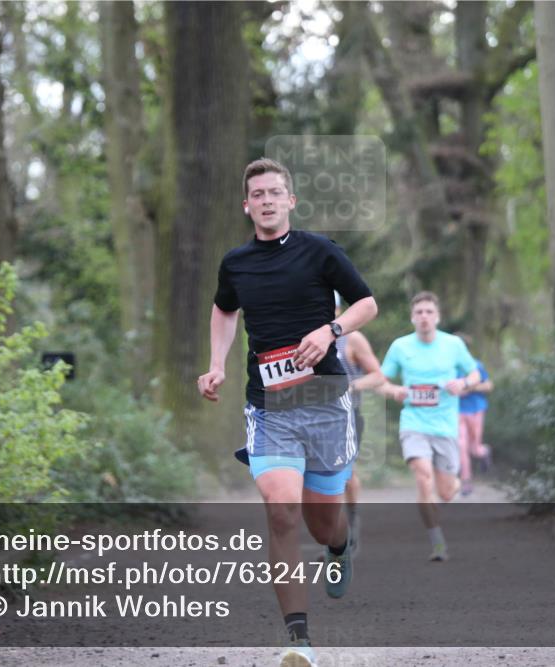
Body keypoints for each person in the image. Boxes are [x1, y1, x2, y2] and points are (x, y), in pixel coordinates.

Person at [197, 158, 378, 667]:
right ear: (247, 205)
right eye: (258, 194)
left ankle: (341, 546)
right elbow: (224, 309)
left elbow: (366, 303)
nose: (268, 200)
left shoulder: (320, 251)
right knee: (280, 510)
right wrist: (217, 364)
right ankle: (299, 641)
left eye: (276, 192)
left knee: (324, 525)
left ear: (290, 201)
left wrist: (331, 331)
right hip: (269, 406)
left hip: (324, 404)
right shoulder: (236, 263)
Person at [374, 291, 480, 562]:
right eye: (419, 312)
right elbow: (380, 381)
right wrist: (394, 390)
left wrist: (463, 384)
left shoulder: (453, 344)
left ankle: (455, 483)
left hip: (445, 427)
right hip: (414, 423)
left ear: (437, 317)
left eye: (429, 312)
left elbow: (475, 373)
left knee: (446, 492)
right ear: (412, 317)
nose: (424, 317)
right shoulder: (400, 347)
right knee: (423, 476)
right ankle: (437, 541)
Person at [333, 292, 384, 557]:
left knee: (346, 474)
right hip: (312, 418)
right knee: (318, 477)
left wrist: (351, 386)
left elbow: (377, 375)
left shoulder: (351, 339)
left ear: (338, 308)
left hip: (348, 416)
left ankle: (352, 530)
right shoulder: (303, 338)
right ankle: (333, 538)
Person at [458, 357, 494, 496]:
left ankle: (484, 451)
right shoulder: (448, 367)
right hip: (458, 410)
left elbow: (488, 385)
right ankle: (466, 481)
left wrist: (470, 387)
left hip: (476, 409)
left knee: (474, 448)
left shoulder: (476, 365)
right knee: (462, 445)